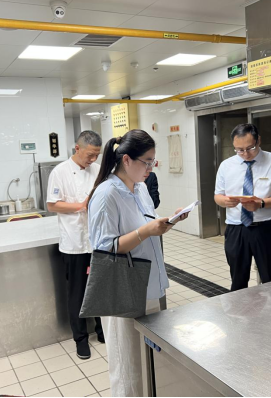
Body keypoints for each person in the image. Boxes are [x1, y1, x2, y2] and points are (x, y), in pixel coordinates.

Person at [88, 130, 188, 397]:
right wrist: (146, 231)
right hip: (122, 289)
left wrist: (167, 222)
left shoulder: (141, 188)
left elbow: (145, 224)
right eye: (147, 162)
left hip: (148, 283)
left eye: (153, 162)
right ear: (127, 160)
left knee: (147, 362)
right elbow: (104, 248)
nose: (150, 168)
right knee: (128, 369)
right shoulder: (107, 194)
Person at [214, 124, 271, 292]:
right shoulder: (226, 166)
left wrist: (262, 203)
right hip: (236, 229)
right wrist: (225, 201)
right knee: (238, 280)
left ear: (258, 141)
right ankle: (239, 309)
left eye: (250, 148)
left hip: (266, 229)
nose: (245, 154)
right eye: (239, 150)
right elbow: (218, 196)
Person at [47, 131, 105, 360]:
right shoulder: (60, 172)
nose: (93, 159)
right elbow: (52, 205)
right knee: (77, 293)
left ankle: (102, 330)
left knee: (99, 289)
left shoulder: (98, 169)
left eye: (97, 155)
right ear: (77, 148)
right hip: (74, 243)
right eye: (90, 154)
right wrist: (81, 206)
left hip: (97, 241)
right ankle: (81, 339)